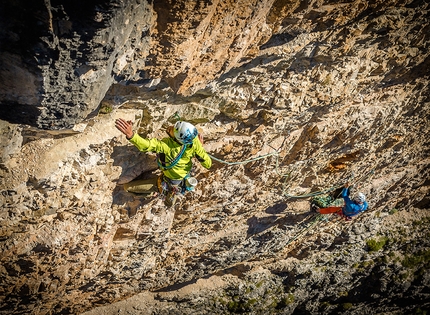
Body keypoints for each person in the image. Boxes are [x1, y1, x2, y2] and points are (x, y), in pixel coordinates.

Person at [115, 118, 212, 207]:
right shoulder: (193, 140)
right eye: (174, 126)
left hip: (169, 182)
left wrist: (131, 135)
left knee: (127, 187)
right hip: (182, 175)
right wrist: (200, 149)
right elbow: (208, 164)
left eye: (173, 130)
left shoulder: (167, 147)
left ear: (176, 138)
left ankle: (151, 192)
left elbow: (147, 145)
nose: (171, 127)